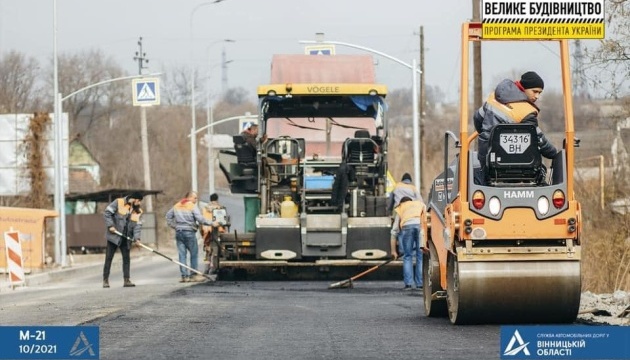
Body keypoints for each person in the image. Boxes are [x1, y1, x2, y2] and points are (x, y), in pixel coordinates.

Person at [474, 71, 559, 185]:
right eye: (535, 91)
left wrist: (487, 137)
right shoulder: (526, 111)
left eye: (540, 93)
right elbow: (538, 140)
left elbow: (477, 118)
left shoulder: (493, 97)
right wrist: (554, 153)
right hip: (517, 166)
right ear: (524, 88)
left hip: (487, 158)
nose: (537, 96)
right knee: (540, 169)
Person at [166, 191, 213, 283]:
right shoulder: (192, 206)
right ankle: (193, 275)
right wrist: (212, 223)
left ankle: (184, 276)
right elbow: (200, 219)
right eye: (195, 198)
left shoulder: (177, 205)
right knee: (194, 254)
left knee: (182, 255)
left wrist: (175, 226)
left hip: (179, 233)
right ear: (190, 198)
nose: (196, 200)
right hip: (189, 233)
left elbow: (168, 216)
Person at [103, 192, 143, 288]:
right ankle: (105, 280)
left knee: (126, 259)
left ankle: (127, 280)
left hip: (126, 237)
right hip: (114, 235)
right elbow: (107, 213)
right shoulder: (119, 202)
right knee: (109, 258)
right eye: (139, 201)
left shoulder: (137, 211)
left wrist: (137, 239)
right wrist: (110, 226)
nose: (139, 204)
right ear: (135, 199)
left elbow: (137, 226)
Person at [390, 196, 425, 290]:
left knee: (407, 256)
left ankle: (408, 284)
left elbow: (394, 232)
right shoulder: (419, 204)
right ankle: (420, 284)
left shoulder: (401, 207)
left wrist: (394, 251)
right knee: (420, 256)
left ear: (401, 203)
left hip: (407, 226)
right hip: (421, 226)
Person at [201, 193, 230, 275]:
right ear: (217, 199)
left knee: (208, 250)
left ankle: (206, 269)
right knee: (216, 250)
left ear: (210, 199)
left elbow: (201, 221)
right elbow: (224, 222)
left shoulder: (204, 209)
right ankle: (214, 268)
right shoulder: (221, 208)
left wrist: (203, 233)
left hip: (207, 231)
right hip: (218, 231)